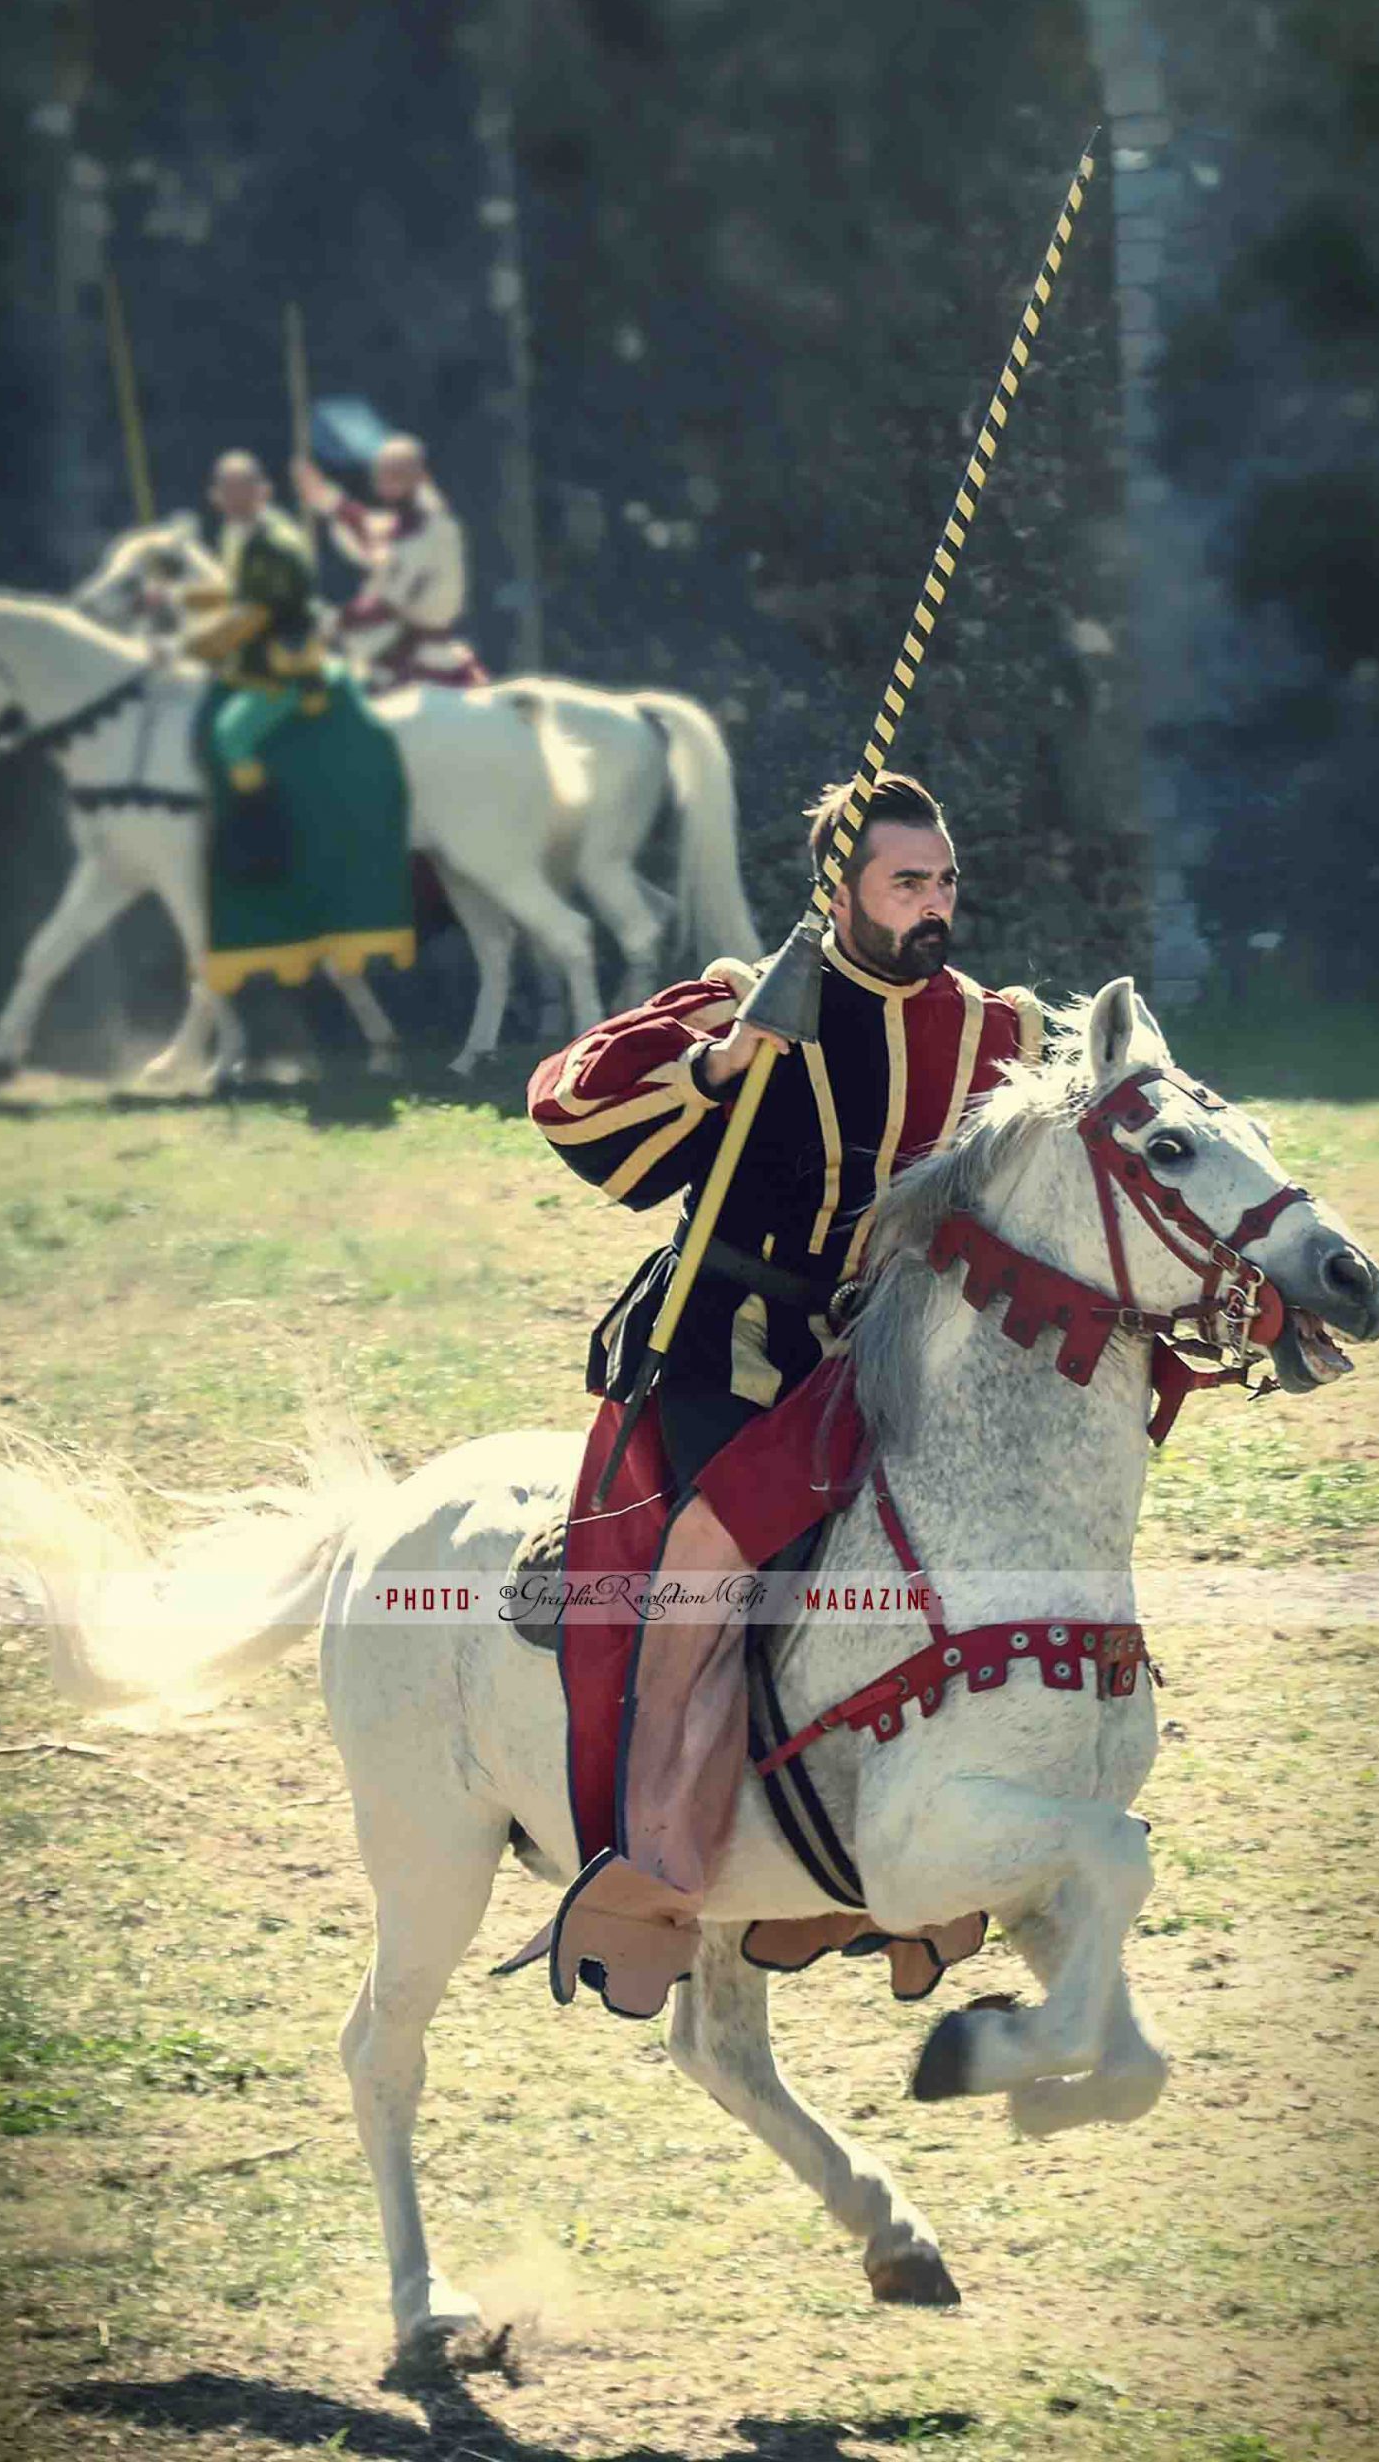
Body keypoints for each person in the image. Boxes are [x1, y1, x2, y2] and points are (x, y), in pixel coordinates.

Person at [523, 773, 1043, 2010]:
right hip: (728, 1343)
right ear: (839, 891)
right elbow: (569, 1096)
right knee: (716, 1567)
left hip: (891, 1359)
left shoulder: (990, 1031)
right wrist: (721, 1063)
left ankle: (885, 1880)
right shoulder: (747, 998)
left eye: (944, 881)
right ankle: (653, 1868)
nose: (933, 906)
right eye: (905, 882)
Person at [180, 451, 330, 790]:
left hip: (279, 666)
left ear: (262, 491)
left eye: (242, 489)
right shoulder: (236, 534)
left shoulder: (272, 544)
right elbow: (237, 590)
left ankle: (259, 809)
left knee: (230, 734)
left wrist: (192, 647)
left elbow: (253, 614)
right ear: (215, 495)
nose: (233, 498)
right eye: (226, 489)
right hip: (247, 653)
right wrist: (183, 600)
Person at [292, 434, 488, 689]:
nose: (386, 482)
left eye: (396, 474)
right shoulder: (405, 522)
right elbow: (368, 528)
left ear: (419, 476)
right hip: (391, 646)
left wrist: (332, 621)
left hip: (424, 658)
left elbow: (388, 603)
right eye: (383, 474)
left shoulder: (432, 528)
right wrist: (324, 497)